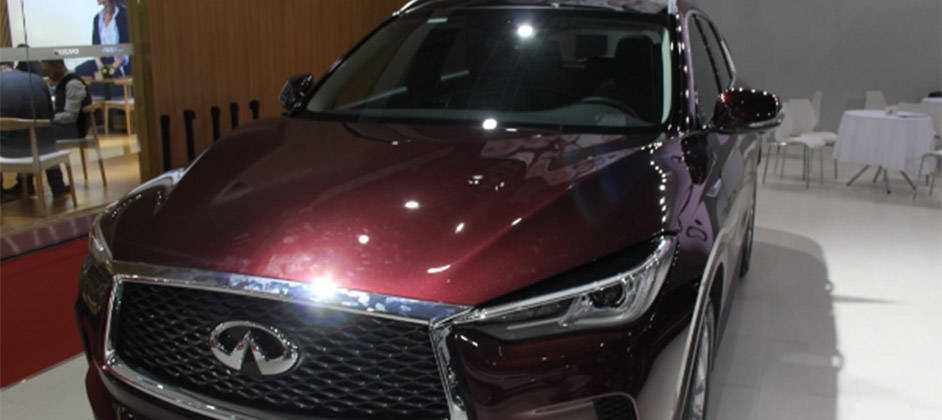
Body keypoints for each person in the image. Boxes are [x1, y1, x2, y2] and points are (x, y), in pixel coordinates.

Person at [0, 62, 70, 203]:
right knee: (42, 133)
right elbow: (50, 116)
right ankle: (57, 186)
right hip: (42, 148)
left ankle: (3, 193)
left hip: (7, 152)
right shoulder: (37, 80)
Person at [76, 0, 131, 79]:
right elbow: (95, 47)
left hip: (118, 64)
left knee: (110, 77)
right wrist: (100, 66)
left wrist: (112, 68)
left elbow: (125, 50)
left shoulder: (123, 15)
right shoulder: (97, 18)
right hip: (102, 62)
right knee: (79, 71)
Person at [43, 60, 93, 140]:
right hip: (67, 127)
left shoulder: (73, 84)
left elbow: (70, 117)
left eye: (48, 71)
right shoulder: (64, 82)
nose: (47, 74)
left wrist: (49, 118)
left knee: (36, 132)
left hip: (74, 129)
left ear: (59, 66)